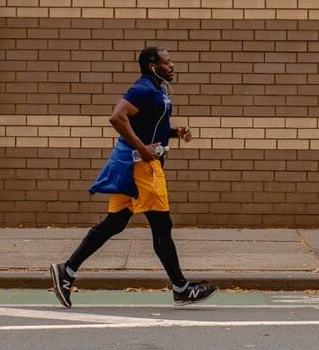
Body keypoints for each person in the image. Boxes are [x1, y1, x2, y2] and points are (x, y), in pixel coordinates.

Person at [50, 45, 217, 308]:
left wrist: (175, 132)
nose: (172, 65)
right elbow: (117, 117)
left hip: (132, 165)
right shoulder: (142, 89)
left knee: (114, 223)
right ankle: (181, 288)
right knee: (162, 226)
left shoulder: (157, 91)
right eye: (167, 62)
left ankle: (67, 271)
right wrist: (142, 148)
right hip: (142, 168)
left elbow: (147, 124)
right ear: (153, 65)